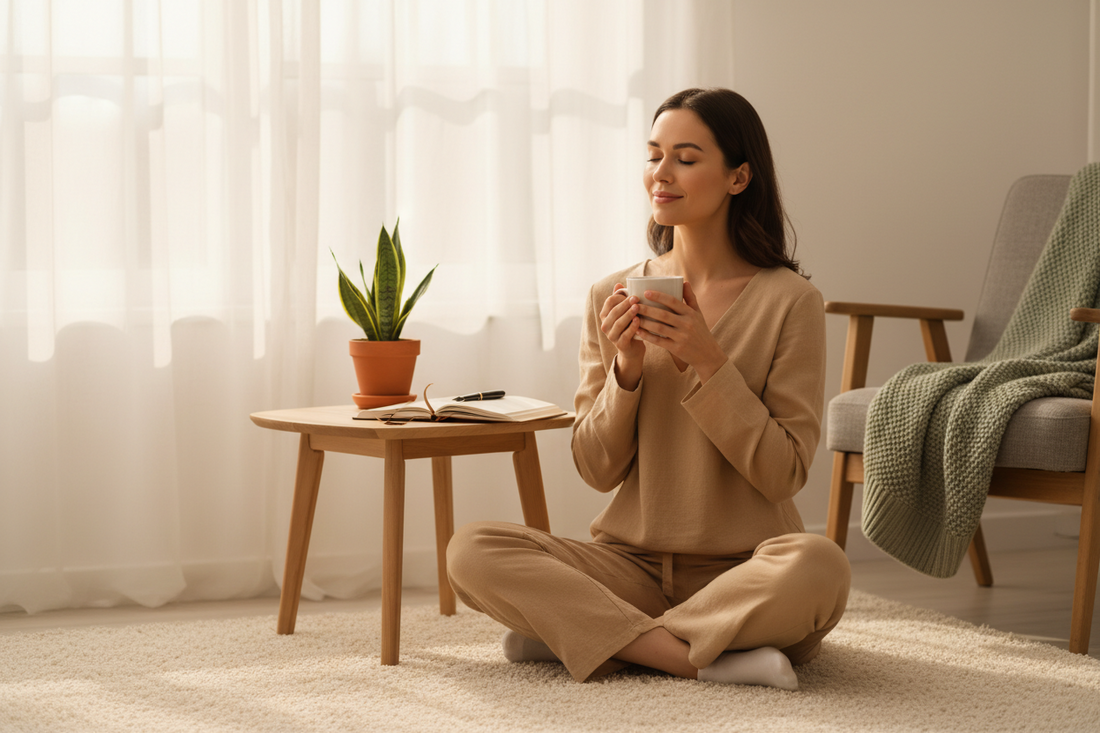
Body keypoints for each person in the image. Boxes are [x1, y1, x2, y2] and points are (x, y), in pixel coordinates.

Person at [446, 88, 850, 689]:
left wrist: (710, 363)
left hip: (746, 569)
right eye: (654, 155)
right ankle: (701, 655)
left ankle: (594, 634)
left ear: (739, 177)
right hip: (627, 565)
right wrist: (626, 372)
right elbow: (595, 468)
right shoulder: (612, 294)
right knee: (472, 550)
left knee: (820, 566)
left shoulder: (791, 302)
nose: (660, 174)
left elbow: (783, 473)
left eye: (685, 158)